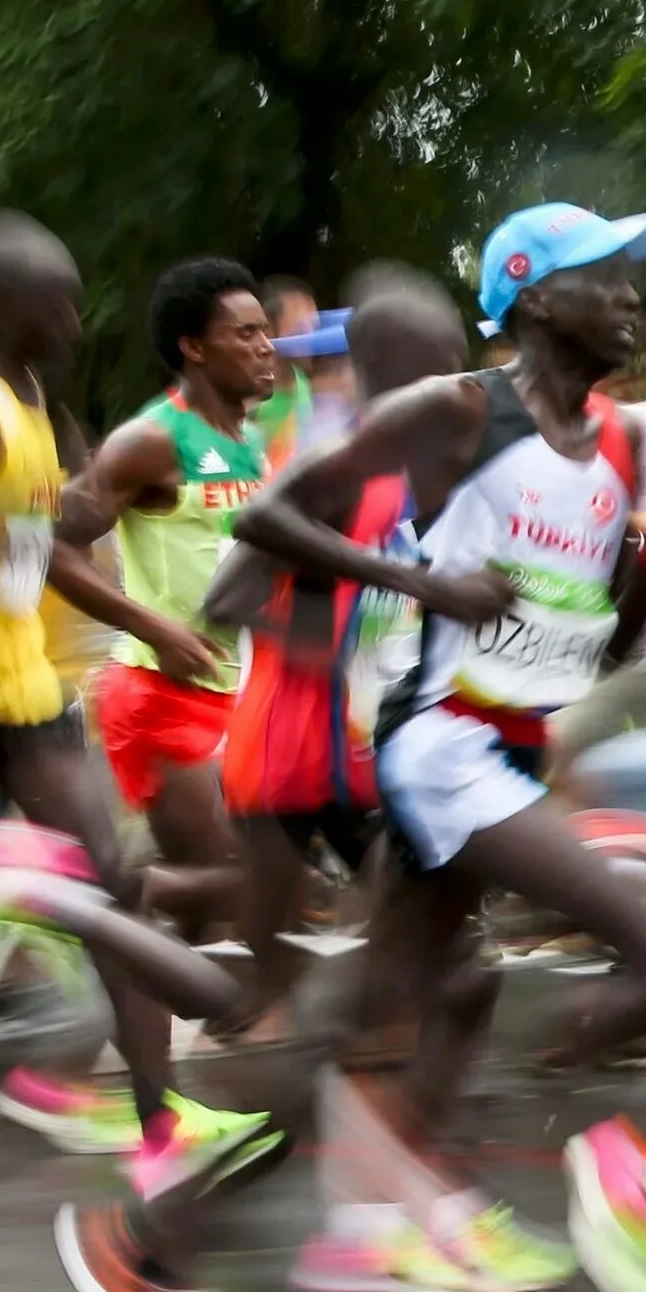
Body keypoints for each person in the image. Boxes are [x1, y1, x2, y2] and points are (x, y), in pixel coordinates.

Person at [215, 203, 646, 1292]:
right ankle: (583, 1142)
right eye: (603, 277)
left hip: (516, 746)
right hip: (445, 750)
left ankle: (270, 1229)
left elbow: (607, 647)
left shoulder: (621, 445)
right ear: (532, 297)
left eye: (633, 277)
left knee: (408, 1004)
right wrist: (423, 587)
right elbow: (270, 522)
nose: (631, 296)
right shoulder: (461, 410)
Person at [0, 213, 263, 1209]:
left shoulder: (37, 393)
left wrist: (72, 528)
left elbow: (49, 530)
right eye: (56, 300)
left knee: (113, 886)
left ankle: (162, 1122)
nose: (75, 315)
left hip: (16, 687)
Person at [202, 267, 467, 1043]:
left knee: (426, 922)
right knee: (266, 1001)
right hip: (285, 745)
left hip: (351, 746)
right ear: (388, 372)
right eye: (442, 366)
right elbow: (225, 599)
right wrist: (319, 640)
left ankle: (380, 1057)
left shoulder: (407, 465)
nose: (460, 382)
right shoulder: (334, 467)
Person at [53, 258, 279, 943]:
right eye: (245, 334)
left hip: (237, 690)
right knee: (240, 883)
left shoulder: (250, 442)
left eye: (267, 332)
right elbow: (52, 547)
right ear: (194, 346)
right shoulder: (152, 440)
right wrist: (154, 627)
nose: (266, 348)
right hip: (160, 692)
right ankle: (81, 903)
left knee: (229, 900)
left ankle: (153, 973)